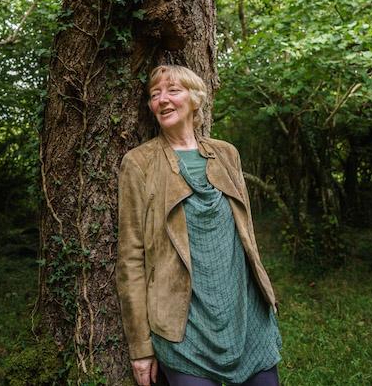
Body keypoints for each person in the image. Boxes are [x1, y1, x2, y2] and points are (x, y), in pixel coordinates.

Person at [116, 65, 282, 386]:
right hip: (182, 326)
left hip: (245, 314)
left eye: (173, 91)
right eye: (155, 94)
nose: (163, 100)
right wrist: (140, 348)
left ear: (195, 99)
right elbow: (130, 259)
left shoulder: (226, 155)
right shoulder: (139, 163)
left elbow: (246, 235)